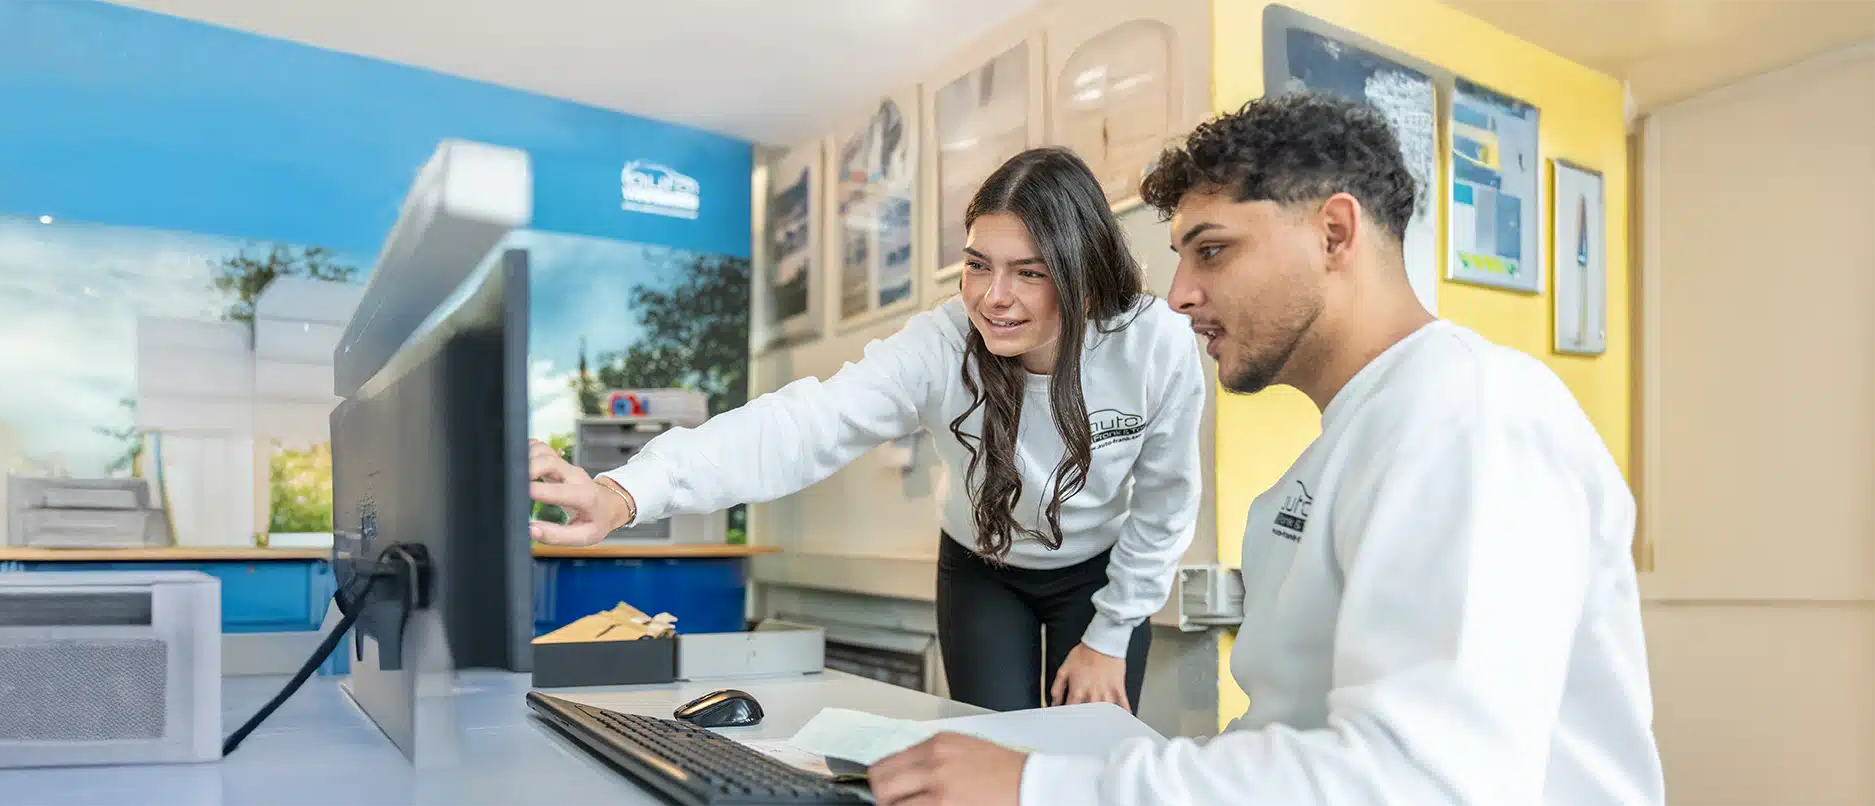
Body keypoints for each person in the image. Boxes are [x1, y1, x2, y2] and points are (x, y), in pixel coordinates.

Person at [866, 93, 1665, 806]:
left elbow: (1422, 782)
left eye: (1211, 250)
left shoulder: (1470, 417)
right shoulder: (1329, 464)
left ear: (1333, 233)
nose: (1178, 294)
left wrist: (1041, 786)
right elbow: (1292, 747)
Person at [527, 147, 1206, 714]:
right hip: (983, 570)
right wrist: (625, 492)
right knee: (992, 743)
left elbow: (1165, 500)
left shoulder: (1153, 342)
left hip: (1099, 572)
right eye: (977, 265)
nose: (993, 297)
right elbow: (804, 424)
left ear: (1082, 274)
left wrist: (1112, 632)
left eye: (1028, 273)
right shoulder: (941, 343)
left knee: (1086, 752)